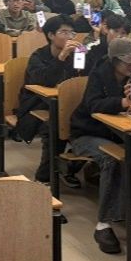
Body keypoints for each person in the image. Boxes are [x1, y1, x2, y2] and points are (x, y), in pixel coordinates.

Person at [70, 38, 131, 254]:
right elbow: (92, 105)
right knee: (112, 159)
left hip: (118, 133)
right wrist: (122, 103)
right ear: (114, 61)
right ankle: (104, 223)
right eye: (127, 62)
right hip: (87, 133)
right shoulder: (99, 75)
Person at [15, 17, 82, 183]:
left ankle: (68, 167)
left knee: (89, 123)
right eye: (64, 32)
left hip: (66, 104)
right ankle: (44, 176)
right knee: (56, 125)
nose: (69, 37)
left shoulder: (75, 56)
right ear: (51, 35)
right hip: (36, 105)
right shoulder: (37, 57)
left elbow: (81, 80)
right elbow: (45, 80)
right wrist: (61, 58)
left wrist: (83, 57)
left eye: (72, 33)